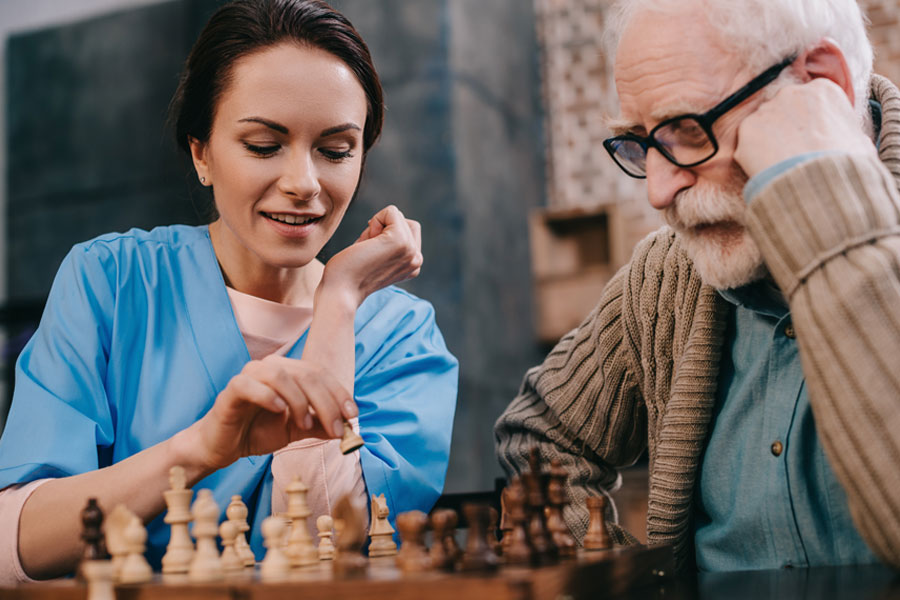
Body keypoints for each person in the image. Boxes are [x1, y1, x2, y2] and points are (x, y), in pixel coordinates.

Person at [0, 0, 457, 583]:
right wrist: (199, 450)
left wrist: (339, 300)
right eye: (265, 146)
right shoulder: (110, 282)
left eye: (336, 150)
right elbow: (16, 549)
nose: (303, 184)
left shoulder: (403, 337)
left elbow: (324, 549)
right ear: (202, 154)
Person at [495, 0, 900, 573]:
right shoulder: (666, 274)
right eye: (640, 141)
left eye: (688, 128)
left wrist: (824, 203)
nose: (658, 191)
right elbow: (537, 436)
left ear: (821, 86)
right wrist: (633, 586)